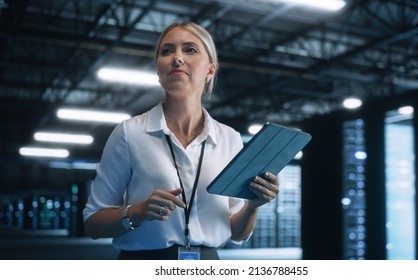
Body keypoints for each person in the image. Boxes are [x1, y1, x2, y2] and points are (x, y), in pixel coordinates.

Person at [82, 22, 279, 260]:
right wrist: (138, 211)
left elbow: (237, 233)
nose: (177, 58)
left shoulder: (229, 138)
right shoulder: (129, 133)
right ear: (158, 69)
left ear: (210, 70)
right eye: (166, 51)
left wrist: (253, 205)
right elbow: (93, 224)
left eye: (190, 50)